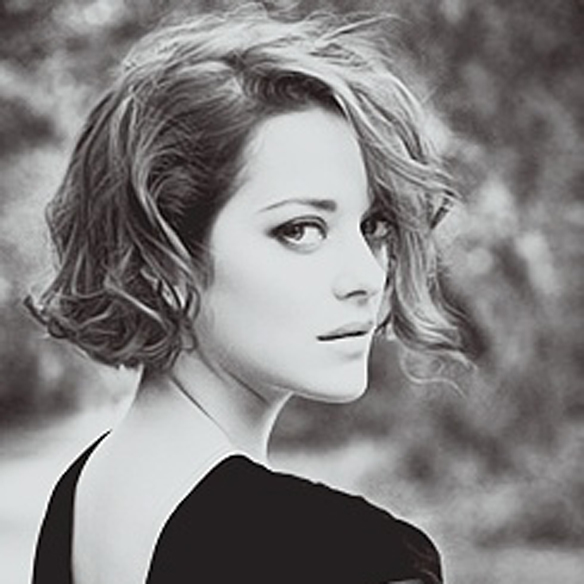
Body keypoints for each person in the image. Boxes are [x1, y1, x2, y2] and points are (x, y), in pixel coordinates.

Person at [28, 7, 463, 584]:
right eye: (300, 229)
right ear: (161, 260)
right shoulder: (354, 557)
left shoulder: (81, 496)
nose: (366, 275)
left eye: (373, 226)